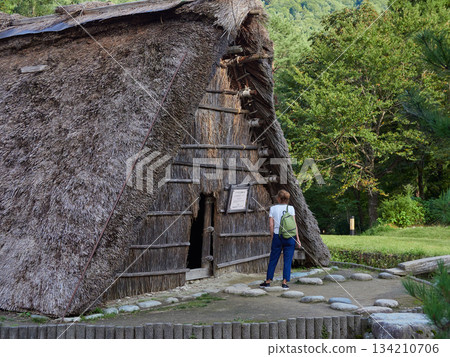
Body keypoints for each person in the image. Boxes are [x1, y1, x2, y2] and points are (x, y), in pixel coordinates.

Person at [260, 190, 301, 290]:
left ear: (279, 198)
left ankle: (268, 281)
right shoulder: (291, 208)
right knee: (287, 260)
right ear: (287, 199)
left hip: (277, 236)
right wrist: (298, 239)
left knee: (273, 258)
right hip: (290, 237)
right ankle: (284, 282)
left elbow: (271, 225)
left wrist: (272, 236)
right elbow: (294, 224)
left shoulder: (273, 208)